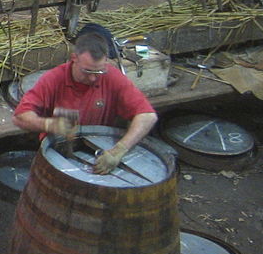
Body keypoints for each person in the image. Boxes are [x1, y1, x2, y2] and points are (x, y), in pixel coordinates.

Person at [12, 30, 158, 173]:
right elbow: (20, 117)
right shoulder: (54, 79)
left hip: (97, 147)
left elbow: (148, 116)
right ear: (74, 58)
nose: (93, 78)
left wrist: (119, 149)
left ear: (106, 61)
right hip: (57, 150)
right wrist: (50, 124)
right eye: (87, 72)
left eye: (98, 72)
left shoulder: (111, 76)